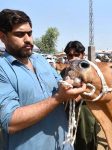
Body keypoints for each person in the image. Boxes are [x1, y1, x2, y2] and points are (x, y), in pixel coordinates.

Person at [0, 9, 86, 150]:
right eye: (20, 34)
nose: (28, 39)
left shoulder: (40, 60)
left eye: (30, 33)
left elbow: (63, 90)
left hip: (64, 145)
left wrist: (78, 90)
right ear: (3, 37)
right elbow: (10, 122)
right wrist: (57, 98)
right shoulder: (2, 69)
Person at [61, 41, 99, 150]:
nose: (73, 58)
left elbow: (93, 89)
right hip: (68, 111)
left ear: (83, 55)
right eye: (70, 55)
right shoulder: (64, 72)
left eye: (76, 55)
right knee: (71, 140)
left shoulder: (90, 70)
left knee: (86, 139)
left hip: (85, 111)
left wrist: (75, 96)